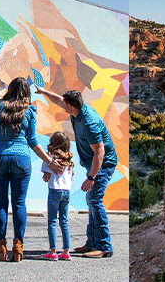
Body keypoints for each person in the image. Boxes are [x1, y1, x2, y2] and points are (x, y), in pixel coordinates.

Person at [0, 77, 61, 262]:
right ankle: (18, 248)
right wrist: (49, 161)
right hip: (21, 160)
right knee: (19, 203)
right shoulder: (29, 111)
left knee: (1, 203)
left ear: (9, 89)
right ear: (26, 93)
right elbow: (32, 141)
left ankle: (1, 248)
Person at [35, 87, 118, 258]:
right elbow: (59, 99)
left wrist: (91, 177)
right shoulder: (77, 111)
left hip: (103, 165)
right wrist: (43, 92)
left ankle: (104, 246)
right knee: (91, 202)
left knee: (94, 200)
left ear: (72, 105)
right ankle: (92, 243)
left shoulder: (88, 122)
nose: (62, 105)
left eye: (66, 103)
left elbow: (99, 152)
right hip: (93, 164)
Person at [40, 131, 75, 261]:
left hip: (54, 190)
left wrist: (46, 175)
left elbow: (46, 177)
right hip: (66, 192)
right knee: (64, 221)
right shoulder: (69, 159)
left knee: (52, 221)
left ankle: (53, 251)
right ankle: (66, 251)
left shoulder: (50, 158)